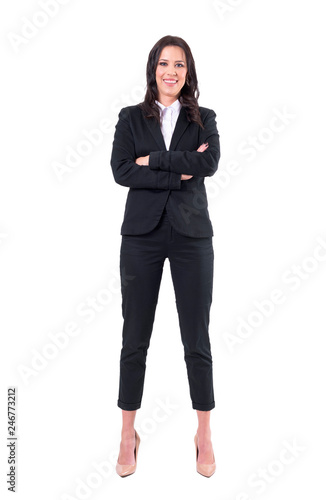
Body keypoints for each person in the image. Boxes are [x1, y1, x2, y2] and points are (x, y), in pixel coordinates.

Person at [110, 35, 220, 477]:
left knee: (197, 336)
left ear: (187, 71)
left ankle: (205, 432)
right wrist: (179, 170)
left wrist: (151, 160)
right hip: (141, 236)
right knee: (134, 335)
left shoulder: (205, 118)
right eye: (163, 63)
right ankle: (126, 432)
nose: (170, 71)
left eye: (179, 64)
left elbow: (209, 164)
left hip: (192, 236)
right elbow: (121, 171)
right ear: (152, 69)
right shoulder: (130, 117)